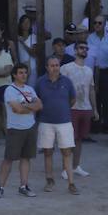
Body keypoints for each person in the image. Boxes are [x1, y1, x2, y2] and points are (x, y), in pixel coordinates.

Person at [0, 64, 41, 199]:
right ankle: (0, 187)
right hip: (15, 129)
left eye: (25, 72)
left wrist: (25, 107)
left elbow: (39, 105)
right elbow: (18, 109)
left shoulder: (30, 89)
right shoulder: (10, 90)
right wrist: (31, 108)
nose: (24, 75)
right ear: (14, 75)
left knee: (26, 157)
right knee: (8, 159)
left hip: (30, 127)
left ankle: (23, 186)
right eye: (20, 73)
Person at [35, 55, 77, 194]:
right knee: (48, 152)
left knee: (67, 152)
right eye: (52, 65)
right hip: (46, 122)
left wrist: (62, 110)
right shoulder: (40, 82)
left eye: (57, 65)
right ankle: (49, 180)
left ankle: (71, 183)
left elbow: (72, 99)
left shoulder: (67, 81)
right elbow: (36, 100)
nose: (55, 68)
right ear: (47, 67)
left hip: (64, 122)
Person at [62, 41, 96, 178]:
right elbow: (62, 87)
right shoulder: (66, 68)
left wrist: (95, 109)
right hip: (71, 108)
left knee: (80, 139)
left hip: (85, 107)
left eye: (86, 48)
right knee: (69, 139)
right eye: (81, 48)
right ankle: (66, 167)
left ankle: (76, 166)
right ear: (75, 50)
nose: (84, 50)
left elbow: (92, 90)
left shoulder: (89, 70)